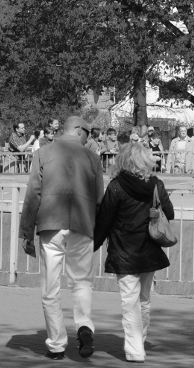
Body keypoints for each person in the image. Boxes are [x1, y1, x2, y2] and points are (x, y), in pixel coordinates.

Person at [19, 116, 105, 360]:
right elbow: (99, 199)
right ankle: (85, 327)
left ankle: (56, 345)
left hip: (50, 225)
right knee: (82, 282)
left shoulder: (43, 153)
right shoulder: (93, 158)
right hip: (82, 226)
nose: (89, 138)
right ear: (78, 130)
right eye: (88, 133)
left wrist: (27, 230)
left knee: (50, 288)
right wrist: (97, 232)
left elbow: (33, 194)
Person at [93, 143, 174, 363]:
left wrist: (92, 245)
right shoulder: (156, 184)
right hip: (149, 249)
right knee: (144, 300)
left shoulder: (116, 186)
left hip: (123, 249)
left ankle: (135, 349)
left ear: (124, 160)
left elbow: (104, 221)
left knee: (129, 302)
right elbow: (170, 212)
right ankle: (140, 342)